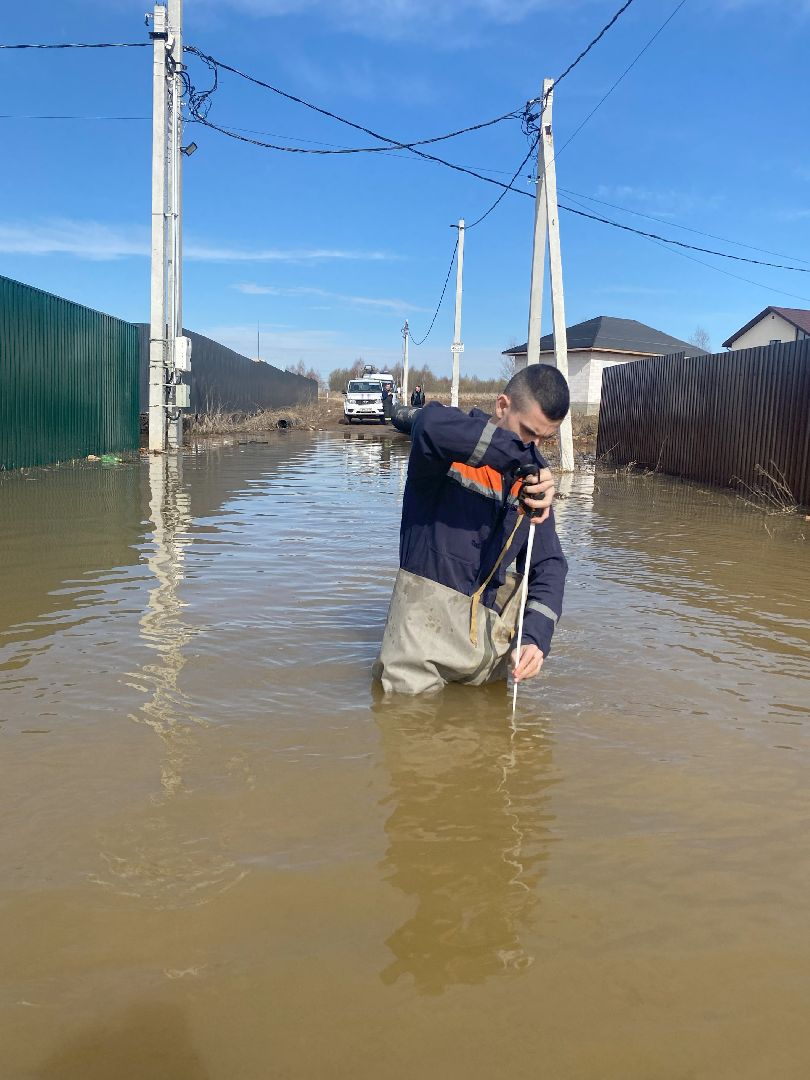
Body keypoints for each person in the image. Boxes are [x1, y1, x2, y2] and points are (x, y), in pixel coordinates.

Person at [373, 364, 569, 695]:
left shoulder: (534, 480)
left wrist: (535, 638)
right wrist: (517, 456)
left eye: (542, 440)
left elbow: (549, 565)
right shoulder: (445, 444)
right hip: (416, 644)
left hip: (487, 648)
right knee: (403, 734)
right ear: (502, 406)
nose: (533, 448)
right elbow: (428, 423)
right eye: (527, 432)